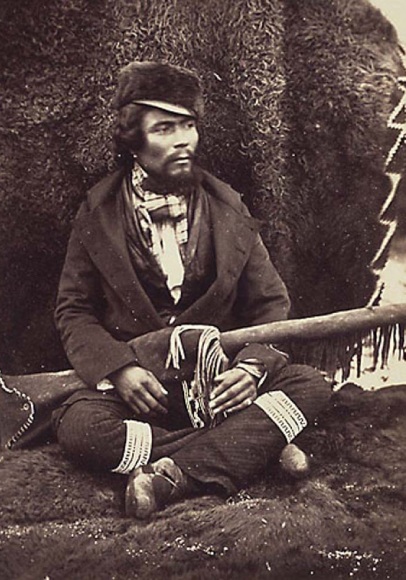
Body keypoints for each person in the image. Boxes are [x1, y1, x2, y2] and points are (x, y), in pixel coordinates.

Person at [52, 61, 331, 519]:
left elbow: (271, 303)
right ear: (133, 140)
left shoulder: (227, 205)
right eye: (165, 128)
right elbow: (73, 311)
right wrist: (120, 370)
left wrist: (251, 371)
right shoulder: (97, 212)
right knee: (80, 429)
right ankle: (255, 445)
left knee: (313, 385)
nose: (184, 140)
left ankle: (171, 477)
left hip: (219, 384)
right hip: (144, 393)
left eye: (188, 126)